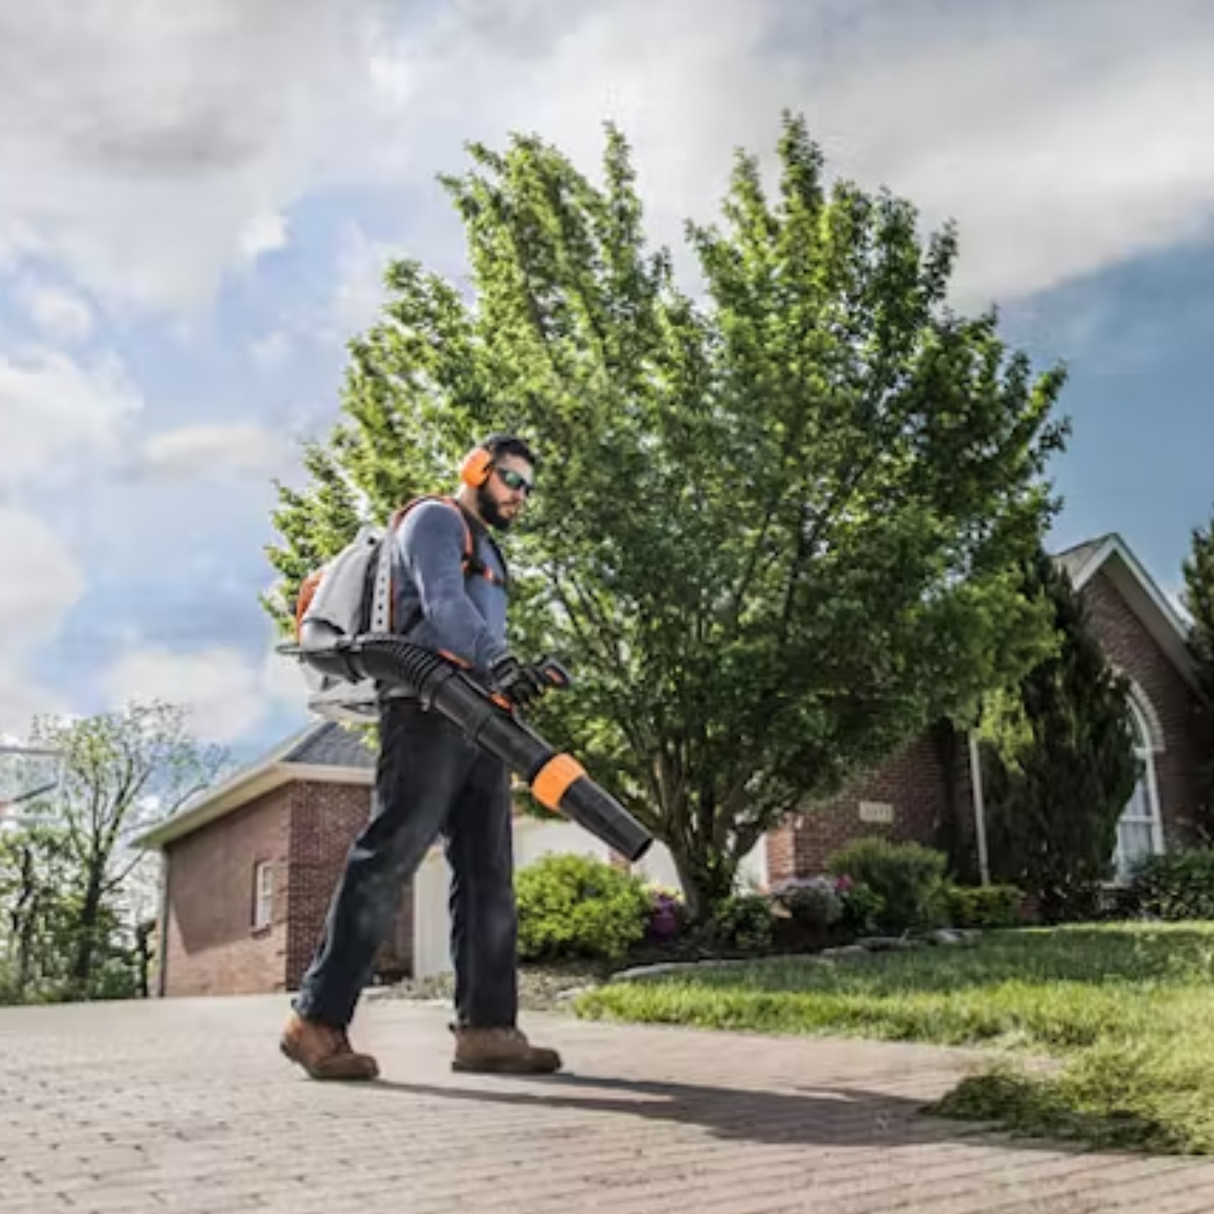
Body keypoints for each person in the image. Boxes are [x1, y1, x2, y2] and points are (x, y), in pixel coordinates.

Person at [280, 434, 562, 1080]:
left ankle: (487, 1029)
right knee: (387, 859)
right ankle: (315, 1021)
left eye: (528, 488)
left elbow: (477, 623)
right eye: (512, 480)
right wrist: (496, 661)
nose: (521, 496)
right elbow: (441, 603)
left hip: (481, 717)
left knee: (489, 874)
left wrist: (517, 676)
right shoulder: (436, 519)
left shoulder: (491, 549)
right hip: (426, 708)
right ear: (476, 469)